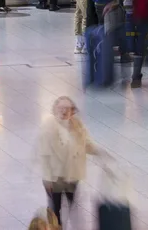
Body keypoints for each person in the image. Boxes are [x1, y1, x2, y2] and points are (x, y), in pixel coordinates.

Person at [35, 96, 102, 227]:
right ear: (54, 110)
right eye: (60, 108)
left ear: (73, 111)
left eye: (67, 109)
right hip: (55, 177)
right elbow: (44, 155)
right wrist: (48, 178)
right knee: (55, 209)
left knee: (74, 207)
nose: (64, 111)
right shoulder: (48, 128)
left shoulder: (78, 125)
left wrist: (99, 152)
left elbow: (86, 143)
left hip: (72, 175)